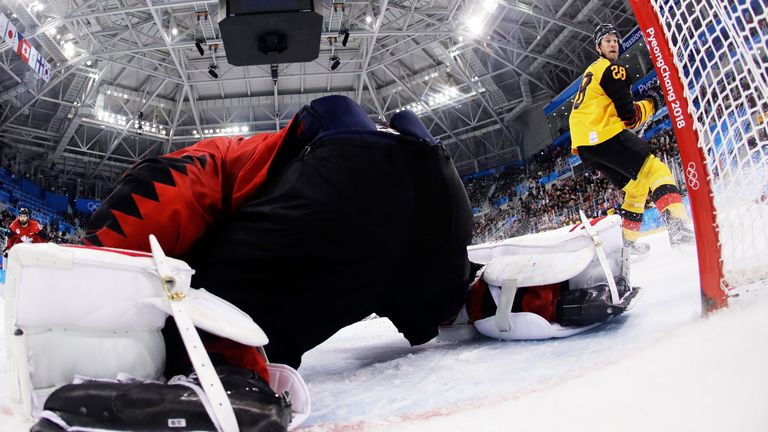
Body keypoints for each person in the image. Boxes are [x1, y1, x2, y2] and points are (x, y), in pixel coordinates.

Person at [83, 95, 475, 371]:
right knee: (448, 304)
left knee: (189, 324)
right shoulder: (252, 158)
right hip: (439, 184)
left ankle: (227, 366)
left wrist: (89, 274)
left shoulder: (215, 154)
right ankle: (510, 297)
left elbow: (161, 193)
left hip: (343, 183)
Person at [568, 24, 694, 255]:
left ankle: (627, 244)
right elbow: (630, 118)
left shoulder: (593, 70)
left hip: (585, 147)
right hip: (602, 135)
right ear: (598, 47)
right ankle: (677, 227)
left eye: (615, 40)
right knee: (656, 170)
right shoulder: (612, 69)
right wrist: (653, 101)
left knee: (636, 187)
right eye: (607, 40)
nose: (613, 43)